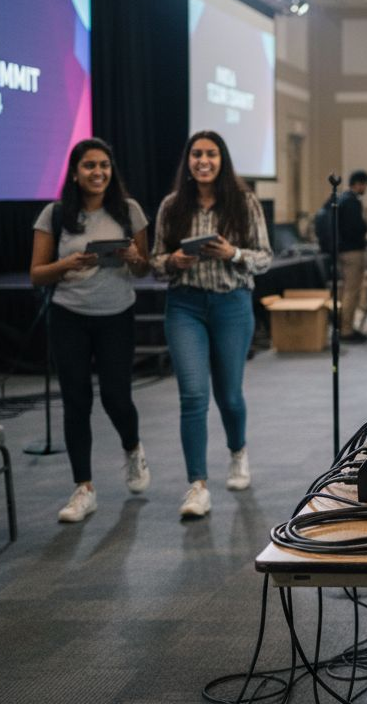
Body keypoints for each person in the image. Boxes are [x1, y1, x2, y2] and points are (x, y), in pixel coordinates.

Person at [151, 130, 272, 519]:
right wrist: (172, 261)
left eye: (211, 154)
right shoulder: (172, 206)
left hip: (231, 306)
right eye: (197, 154)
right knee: (192, 395)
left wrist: (232, 252)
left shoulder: (244, 202)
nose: (203, 161)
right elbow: (154, 262)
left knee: (229, 395)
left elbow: (265, 257)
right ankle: (197, 485)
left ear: (223, 161)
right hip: (184, 306)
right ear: (188, 161)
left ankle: (238, 452)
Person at [30, 138, 152, 523]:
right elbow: (36, 275)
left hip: (116, 315)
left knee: (117, 397)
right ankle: (83, 488)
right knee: (76, 401)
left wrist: (134, 258)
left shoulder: (129, 211)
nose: (97, 172)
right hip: (69, 316)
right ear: (75, 171)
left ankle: (132, 449)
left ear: (111, 170)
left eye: (104, 165)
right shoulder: (55, 214)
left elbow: (144, 268)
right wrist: (67, 263)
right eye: (89, 166)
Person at [335, 170, 367, 342]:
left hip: (344, 250)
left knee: (348, 291)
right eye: (365, 185)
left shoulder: (342, 199)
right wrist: (366, 227)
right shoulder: (351, 202)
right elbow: (356, 228)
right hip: (352, 251)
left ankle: (345, 327)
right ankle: (346, 330)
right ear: (359, 183)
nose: (365, 189)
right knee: (351, 291)